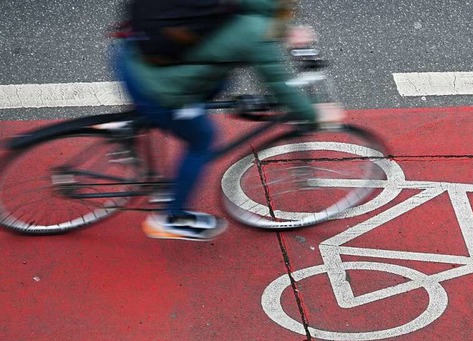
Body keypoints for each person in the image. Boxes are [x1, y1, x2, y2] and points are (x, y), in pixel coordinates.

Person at [114, 0, 344, 241]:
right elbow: (280, 86)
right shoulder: (257, 34)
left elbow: (246, 15)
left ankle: (131, 125)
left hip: (130, 52)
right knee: (203, 139)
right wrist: (314, 115)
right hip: (155, 87)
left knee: (222, 79)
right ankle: (172, 218)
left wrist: (283, 33)